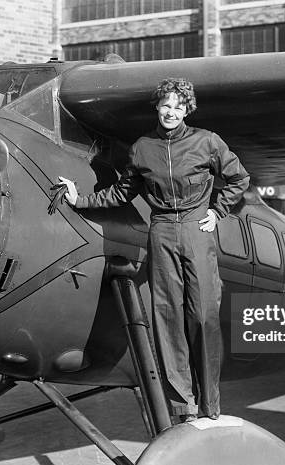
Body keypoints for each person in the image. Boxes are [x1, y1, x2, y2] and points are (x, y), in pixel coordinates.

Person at [55, 78, 249, 422]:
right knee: (168, 318)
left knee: (203, 316)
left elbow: (239, 179)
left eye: (178, 106)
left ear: (187, 109)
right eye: (165, 105)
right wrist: (79, 200)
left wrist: (217, 212)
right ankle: (184, 406)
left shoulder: (208, 142)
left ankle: (210, 405)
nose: (171, 112)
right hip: (161, 233)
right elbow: (121, 192)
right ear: (157, 108)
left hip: (196, 231)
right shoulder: (142, 148)